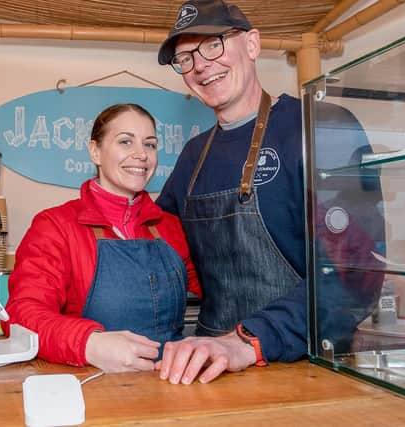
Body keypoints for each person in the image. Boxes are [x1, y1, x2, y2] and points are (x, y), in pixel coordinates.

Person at [154, 0, 384, 384]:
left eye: (213, 44)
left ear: (252, 44)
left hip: (308, 364)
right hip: (210, 366)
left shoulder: (320, 126)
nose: (200, 65)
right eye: (185, 57)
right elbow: (158, 250)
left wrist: (247, 341)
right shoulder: (194, 156)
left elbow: (355, 276)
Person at [2, 104, 201, 373]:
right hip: (93, 385)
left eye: (150, 144)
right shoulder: (55, 227)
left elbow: (207, 303)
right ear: (95, 151)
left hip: (172, 381)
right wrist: (89, 344)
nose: (141, 154)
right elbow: (22, 316)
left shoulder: (170, 228)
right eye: (125, 142)